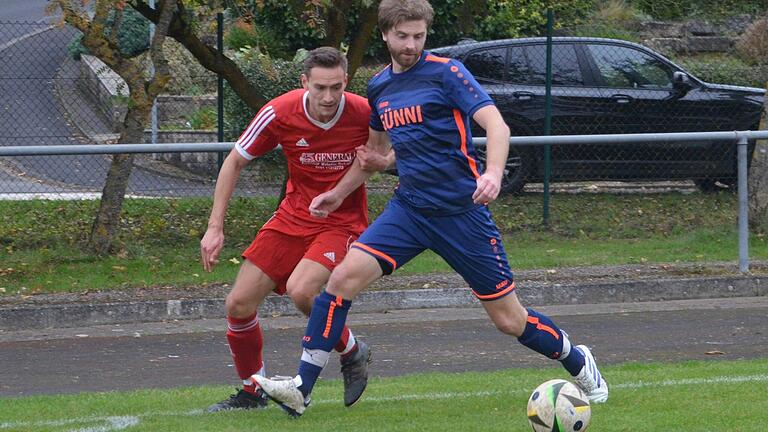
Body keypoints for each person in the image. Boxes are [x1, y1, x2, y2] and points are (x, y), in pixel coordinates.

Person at [253, 0, 609, 417]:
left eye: (419, 36)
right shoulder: (380, 87)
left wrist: (492, 173)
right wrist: (339, 192)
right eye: (402, 36)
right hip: (409, 209)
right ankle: (301, 388)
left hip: (461, 212)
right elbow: (376, 154)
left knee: (510, 321)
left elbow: (497, 124)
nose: (411, 44)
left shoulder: (447, 73)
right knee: (340, 281)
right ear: (386, 34)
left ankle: (577, 359)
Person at [200, 46, 379, 412]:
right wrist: (214, 227)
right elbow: (234, 162)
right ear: (304, 83)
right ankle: (253, 392)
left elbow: (380, 155)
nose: (328, 97)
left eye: (336, 87)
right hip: (292, 217)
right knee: (238, 304)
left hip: (341, 222)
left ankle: (349, 350)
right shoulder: (279, 112)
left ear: (346, 81)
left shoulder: (364, 113)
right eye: (320, 88)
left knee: (302, 291)